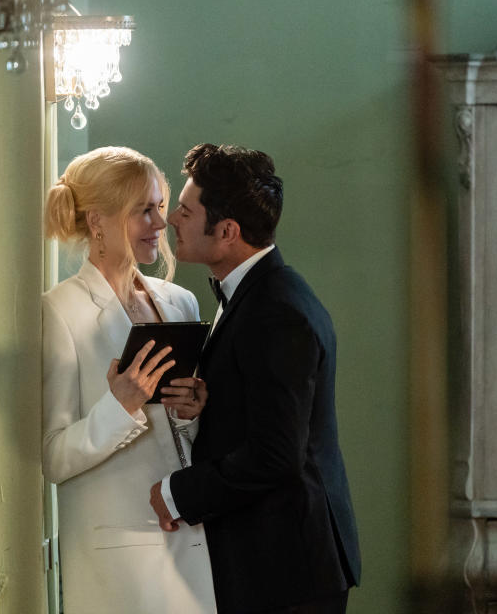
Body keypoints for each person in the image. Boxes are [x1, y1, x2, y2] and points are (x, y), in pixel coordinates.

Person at [150, 144, 361, 613]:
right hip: (277, 562)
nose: (171, 221)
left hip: (289, 570)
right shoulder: (258, 294)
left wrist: (177, 494)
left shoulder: (275, 310)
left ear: (227, 232)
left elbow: (276, 454)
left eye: (185, 211)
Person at [42, 146, 216, 613]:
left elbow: (183, 439)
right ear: (97, 220)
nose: (161, 224)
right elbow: (54, 458)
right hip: (118, 563)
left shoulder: (180, 302)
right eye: (144, 210)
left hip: (190, 540)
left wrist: (192, 409)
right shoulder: (59, 311)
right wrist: (119, 407)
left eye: (160, 207)